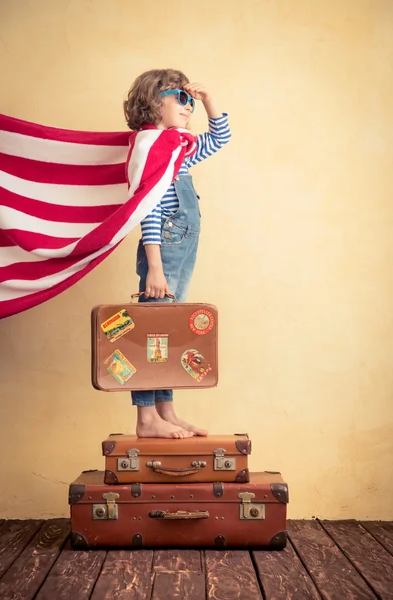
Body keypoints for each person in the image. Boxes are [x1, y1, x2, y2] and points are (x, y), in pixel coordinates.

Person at [123, 69, 231, 439]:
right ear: (155, 102)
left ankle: (166, 410)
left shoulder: (176, 146)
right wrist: (154, 266)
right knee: (154, 332)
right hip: (164, 247)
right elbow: (148, 207)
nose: (189, 107)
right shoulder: (151, 145)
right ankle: (146, 418)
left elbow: (221, 137)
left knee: (167, 332)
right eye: (180, 99)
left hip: (182, 244)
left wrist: (208, 99)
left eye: (190, 102)